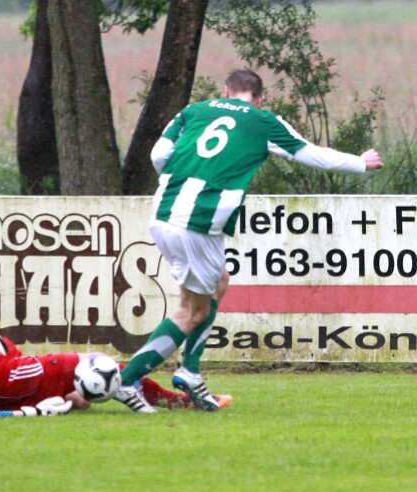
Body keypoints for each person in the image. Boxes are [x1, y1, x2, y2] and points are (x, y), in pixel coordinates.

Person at [118, 69, 385, 411]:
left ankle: (191, 370)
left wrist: (184, 178)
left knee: (218, 282)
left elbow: (158, 155)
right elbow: (308, 153)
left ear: (225, 90)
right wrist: (359, 163)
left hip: (165, 211)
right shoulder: (263, 121)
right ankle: (128, 381)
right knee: (191, 311)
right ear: (260, 97)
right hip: (198, 221)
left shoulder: (193, 111)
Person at [0, 230, 232, 414]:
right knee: (98, 364)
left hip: (3, 378)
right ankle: (182, 402)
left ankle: (75, 398)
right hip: (2, 378)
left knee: (80, 396)